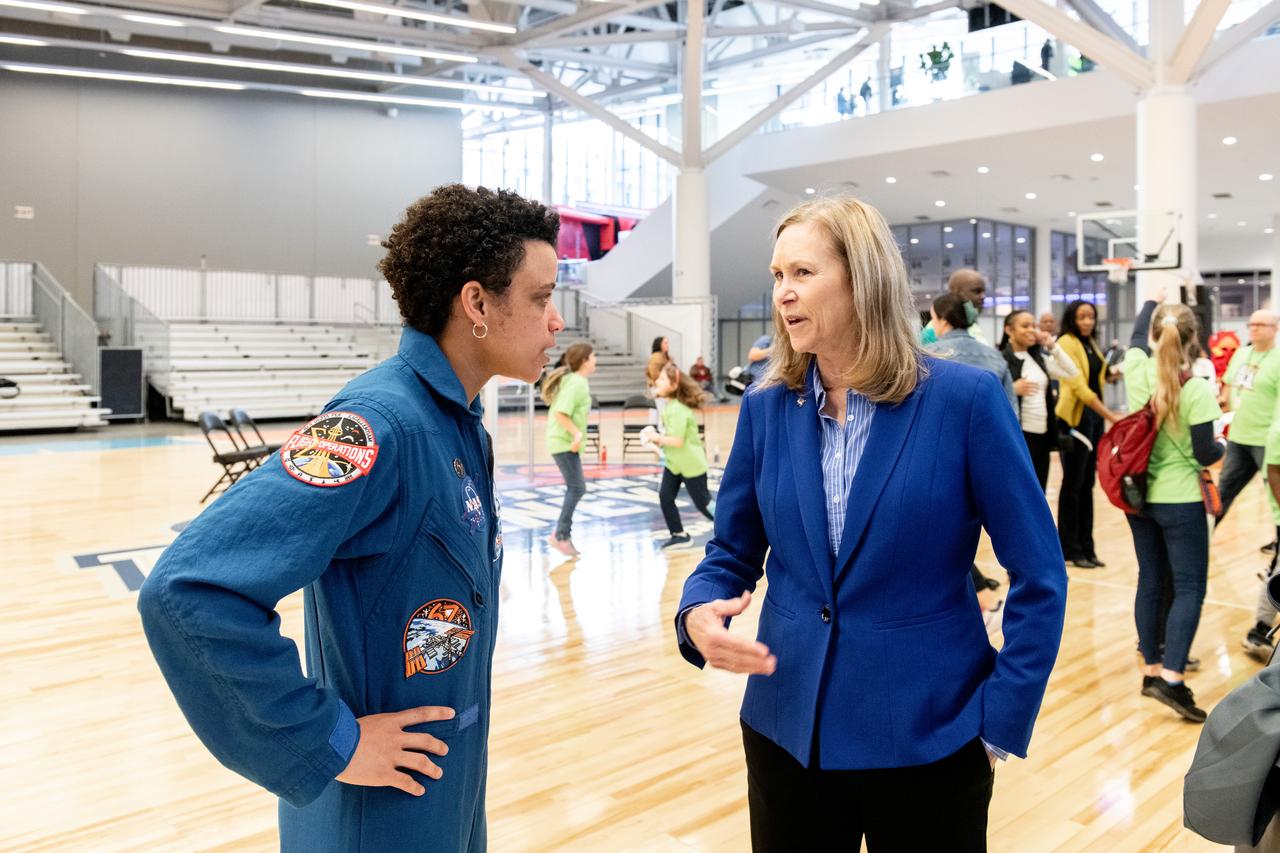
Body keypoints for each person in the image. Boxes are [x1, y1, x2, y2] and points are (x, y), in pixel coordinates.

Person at [137, 184, 565, 852]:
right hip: (373, 815)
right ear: (478, 303)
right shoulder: (375, 425)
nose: (556, 319)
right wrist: (328, 738)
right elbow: (189, 590)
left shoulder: (458, 426)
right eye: (541, 297)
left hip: (443, 793)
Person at [674, 196, 1067, 851]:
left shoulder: (962, 401)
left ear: (862, 280)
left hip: (931, 740)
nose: (783, 294)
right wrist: (696, 612)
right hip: (787, 732)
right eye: (776, 277)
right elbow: (732, 550)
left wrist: (998, 721)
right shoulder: (768, 408)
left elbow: (1038, 571)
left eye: (802, 273)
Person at [1122, 296, 1224, 722]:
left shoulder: (1134, 369)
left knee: (1150, 579)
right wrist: (1224, 445)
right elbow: (1205, 454)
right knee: (1188, 588)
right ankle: (1173, 678)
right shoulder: (1196, 387)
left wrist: (1150, 302)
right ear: (1193, 339)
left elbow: (1134, 336)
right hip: (1180, 501)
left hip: (1139, 498)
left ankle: (1150, 671)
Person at [1055, 299, 1120, 568]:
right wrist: (1113, 417)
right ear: (1072, 318)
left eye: (1091, 317)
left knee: (1087, 485)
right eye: (1082, 317)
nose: (1087, 322)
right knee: (1073, 485)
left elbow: (1099, 377)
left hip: (1092, 421)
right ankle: (1070, 549)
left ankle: (1087, 546)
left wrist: (1117, 371)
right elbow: (1080, 388)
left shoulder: (1090, 343)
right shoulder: (1066, 343)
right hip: (1074, 421)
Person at [999, 310, 1082, 491]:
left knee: (1039, 492)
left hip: (1043, 435)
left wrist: (1052, 345)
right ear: (1009, 330)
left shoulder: (1038, 359)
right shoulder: (1001, 360)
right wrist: (1012, 389)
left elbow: (1072, 372)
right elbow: (989, 396)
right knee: (1020, 492)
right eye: (1025, 326)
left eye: (1033, 326)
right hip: (1020, 436)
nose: (1031, 330)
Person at [649, 362, 715, 549]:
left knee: (704, 504)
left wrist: (657, 437)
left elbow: (677, 441)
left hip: (691, 464)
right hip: (674, 463)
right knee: (665, 496)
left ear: (673, 386)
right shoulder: (669, 407)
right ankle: (679, 534)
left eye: (662, 379)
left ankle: (732, 527)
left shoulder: (678, 409)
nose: (657, 382)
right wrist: (655, 442)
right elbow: (670, 439)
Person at [543, 341, 596, 558]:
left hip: (562, 442)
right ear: (584, 361)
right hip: (563, 442)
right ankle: (561, 535)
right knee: (577, 488)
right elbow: (560, 413)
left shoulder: (575, 380)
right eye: (593, 357)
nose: (596, 361)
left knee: (576, 488)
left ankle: (562, 534)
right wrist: (576, 433)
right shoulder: (577, 383)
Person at [924, 292, 1015, 409]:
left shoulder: (929, 354)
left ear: (944, 321)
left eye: (933, 318)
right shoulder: (995, 356)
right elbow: (1010, 406)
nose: (932, 324)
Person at [948, 268, 989, 343]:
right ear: (957, 292)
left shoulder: (973, 326)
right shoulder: (937, 330)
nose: (983, 296)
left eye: (983, 291)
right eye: (977, 291)